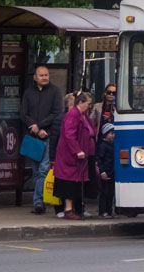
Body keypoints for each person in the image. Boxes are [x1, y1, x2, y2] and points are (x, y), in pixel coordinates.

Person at [20, 65, 62, 215]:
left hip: (47, 135)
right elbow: (23, 113)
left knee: (44, 170)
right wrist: (34, 126)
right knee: (36, 171)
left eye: (46, 75)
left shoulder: (55, 92)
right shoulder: (28, 93)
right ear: (35, 77)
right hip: (32, 137)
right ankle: (40, 200)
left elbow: (56, 113)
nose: (44, 77)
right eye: (41, 75)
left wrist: (42, 127)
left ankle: (38, 203)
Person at [54, 91, 95, 220]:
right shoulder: (73, 115)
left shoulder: (83, 115)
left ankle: (76, 208)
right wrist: (77, 150)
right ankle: (68, 209)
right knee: (69, 181)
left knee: (77, 182)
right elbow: (69, 134)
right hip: (71, 155)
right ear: (81, 103)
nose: (90, 106)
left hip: (80, 155)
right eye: (88, 104)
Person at [96, 121, 116, 218]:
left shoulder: (112, 145)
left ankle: (109, 211)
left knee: (111, 193)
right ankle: (102, 211)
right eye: (111, 133)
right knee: (104, 193)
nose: (113, 135)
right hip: (106, 172)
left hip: (112, 172)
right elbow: (99, 159)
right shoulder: (103, 146)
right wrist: (102, 171)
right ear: (106, 134)